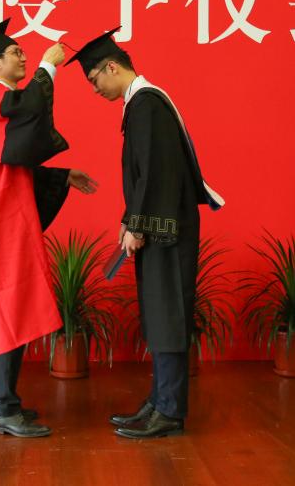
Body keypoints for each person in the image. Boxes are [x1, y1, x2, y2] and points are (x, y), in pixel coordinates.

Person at [66, 27, 224, 439]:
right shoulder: (141, 103)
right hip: (162, 225)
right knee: (159, 312)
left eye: (94, 79)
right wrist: (128, 218)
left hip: (166, 229)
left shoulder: (147, 104)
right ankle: (158, 401)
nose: (94, 89)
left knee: (168, 314)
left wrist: (139, 225)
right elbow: (143, 176)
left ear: (112, 67)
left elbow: (155, 173)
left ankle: (169, 410)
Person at [0, 19, 97, 438]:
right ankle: (2, 407)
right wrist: (48, 67)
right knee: (5, 308)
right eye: (15, 52)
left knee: (2, 307)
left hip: (0, 216)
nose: (23, 56)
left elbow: (14, 155)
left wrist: (61, 176)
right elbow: (25, 112)